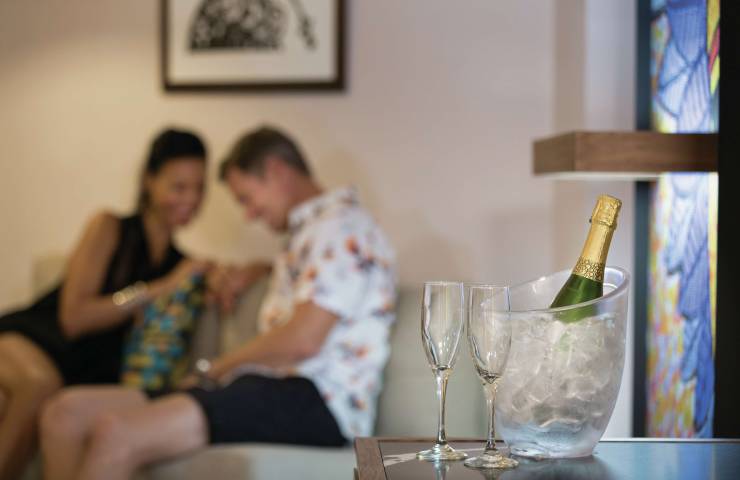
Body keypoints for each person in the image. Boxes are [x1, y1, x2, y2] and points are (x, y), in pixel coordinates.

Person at [39, 126, 398, 480]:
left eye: (246, 198)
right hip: (266, 387)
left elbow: (303, 339)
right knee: (65, 414)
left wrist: (215, 369)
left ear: (276, 170)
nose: (249, 214)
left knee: (117, 435)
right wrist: (258, 270)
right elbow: (319, 288)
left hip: (317, 401)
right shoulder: (314, 233)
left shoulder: (342, 227)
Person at [0, 128, 210, 480]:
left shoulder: (181, 265)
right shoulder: (109, 227)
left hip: (80, 372)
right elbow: (73, 318)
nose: (190, 199)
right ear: (149, 181)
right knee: (40, 385)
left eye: (199, 188)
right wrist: (156, 289)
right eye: (178, 186)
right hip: (34, 339)